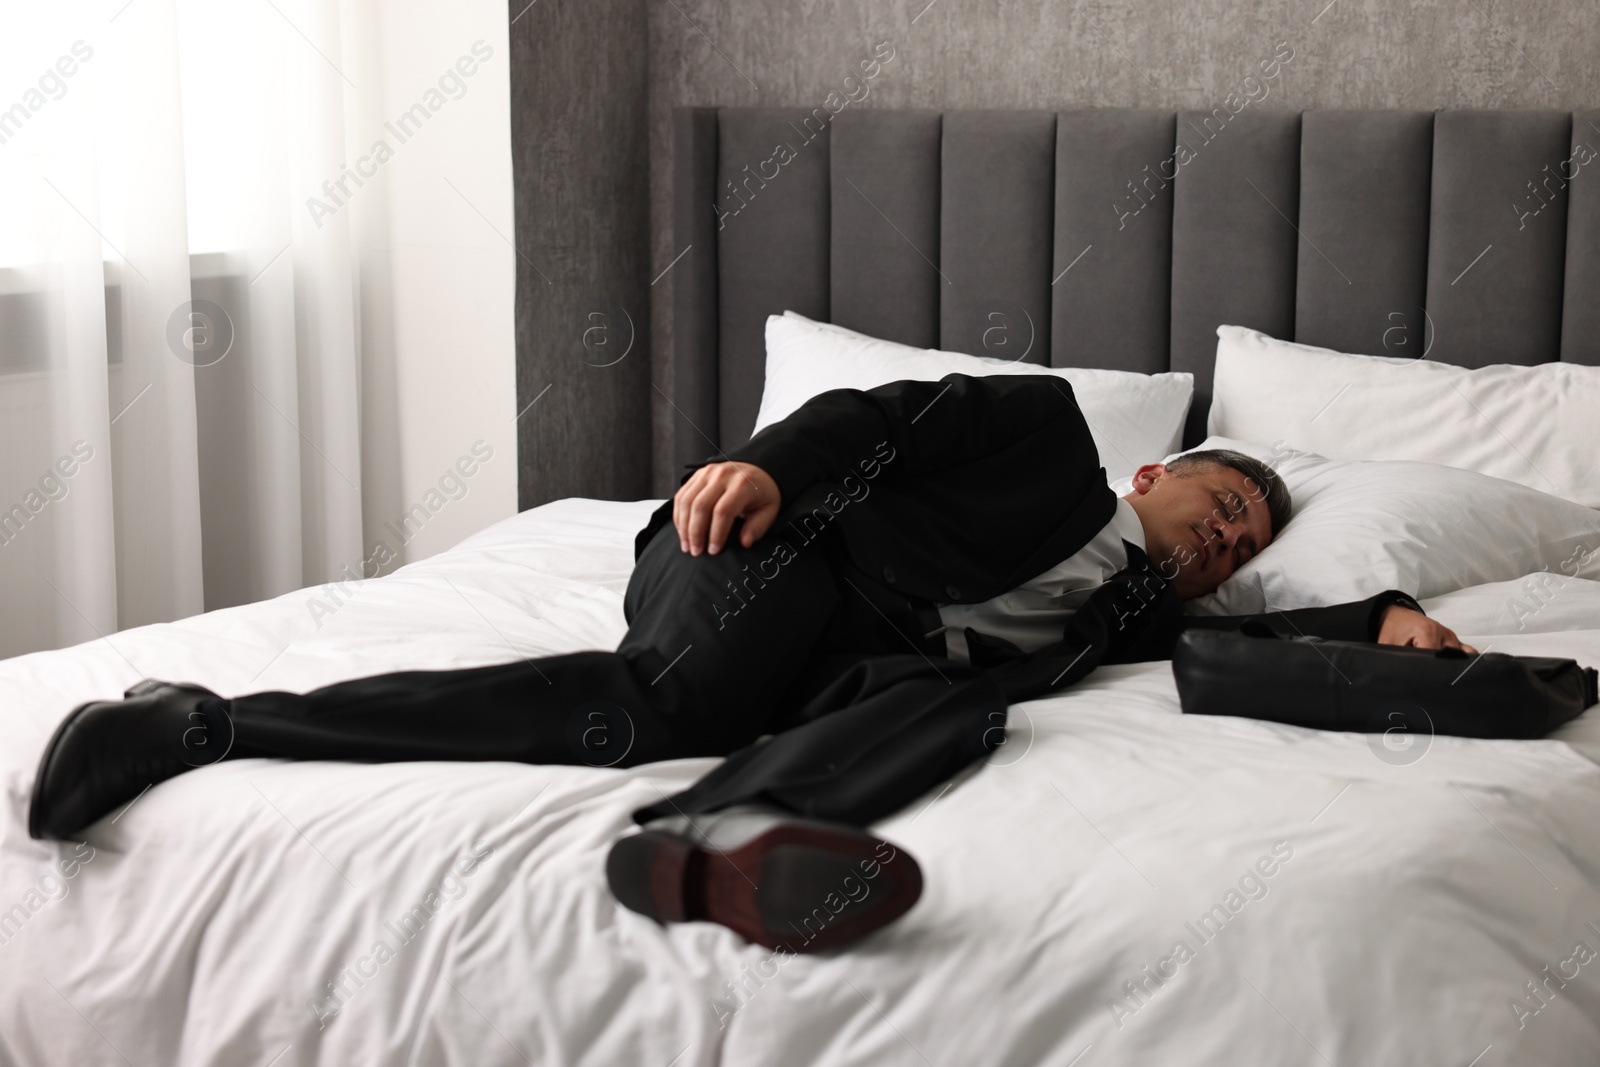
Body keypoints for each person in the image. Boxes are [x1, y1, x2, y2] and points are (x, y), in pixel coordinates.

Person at [27, 373, 1468, 953]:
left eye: (1243, 541)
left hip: (858, 667)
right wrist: (762, 468)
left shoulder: (1142, 620)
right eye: (1217, 505)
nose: (1222, 540)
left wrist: (1387, 606)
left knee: (963, 704)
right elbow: (881, 417)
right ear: (1154, 468)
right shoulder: (1041, 430)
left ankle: (716, 846)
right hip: (778, 549)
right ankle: (194, 724)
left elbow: (1259, 647)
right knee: (657, 707)